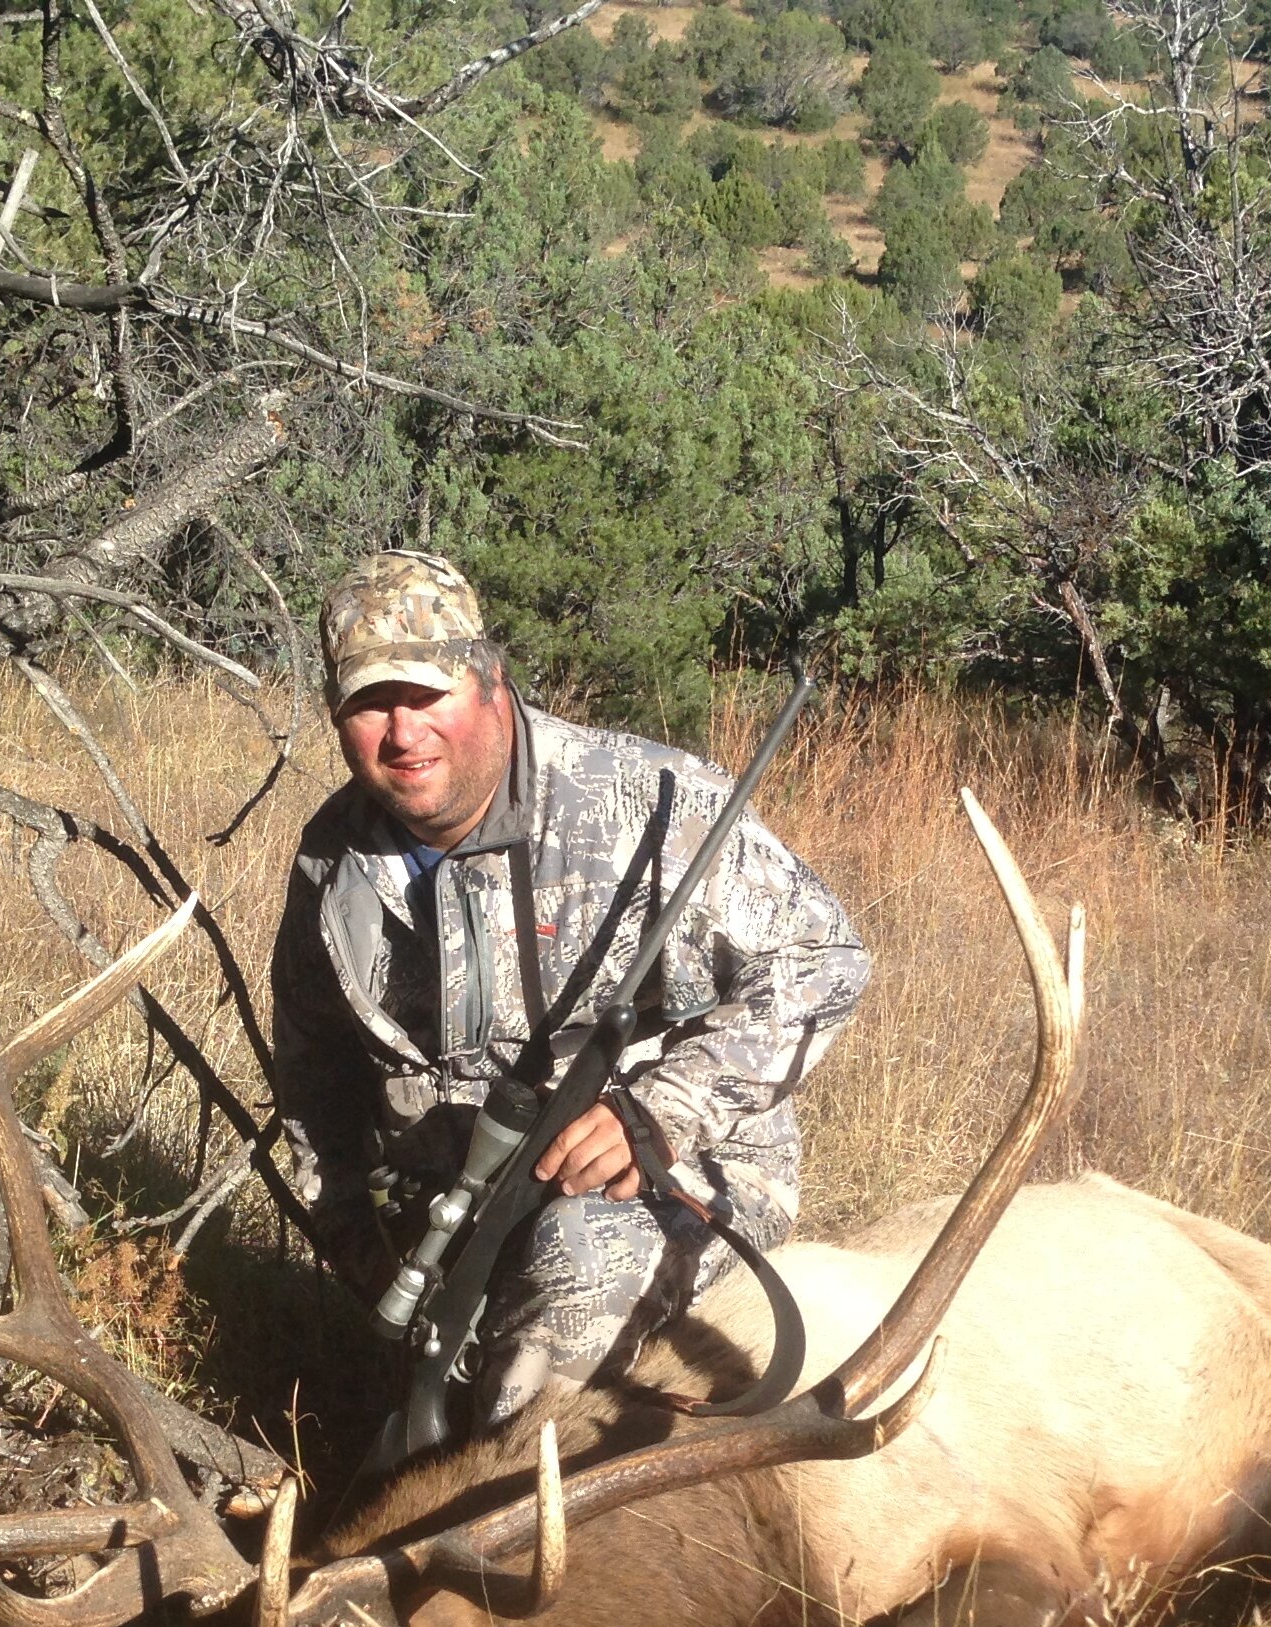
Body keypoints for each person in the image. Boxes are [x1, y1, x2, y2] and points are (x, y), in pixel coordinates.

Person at [269, 548, 867, 1428]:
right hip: (451, 1206)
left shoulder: (648, 801)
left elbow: (827, 956)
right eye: (369, 704)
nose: (402, 735)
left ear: (491, 682)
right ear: (335, 714)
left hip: (673, 1174)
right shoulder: (334, 859)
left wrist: (661, 1110)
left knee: (572, 1278)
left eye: (426, 695)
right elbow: (313, 1080)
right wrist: (361, 1249)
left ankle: (500, 1530)